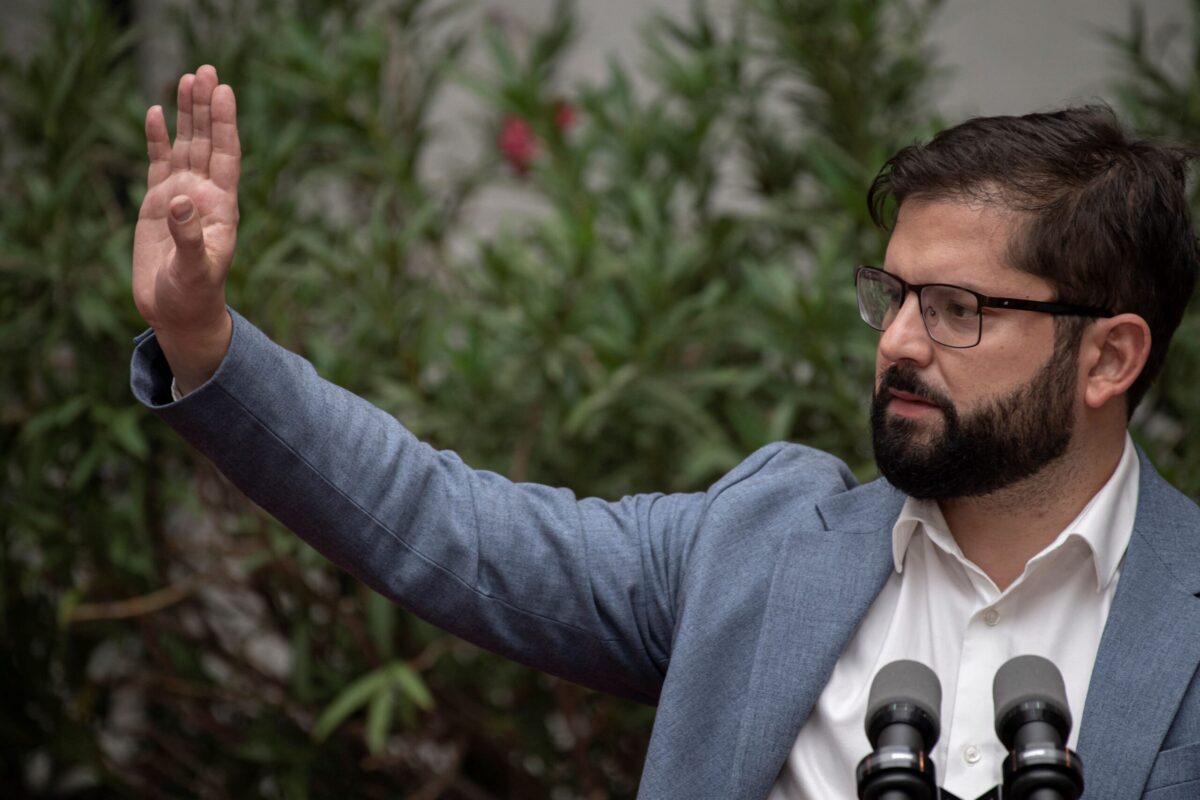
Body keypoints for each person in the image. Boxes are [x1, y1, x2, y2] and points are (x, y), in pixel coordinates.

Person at [131, 65, 1200, 799]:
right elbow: (442, 521)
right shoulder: (759, 546)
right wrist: (202, 336)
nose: (900, 343)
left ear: (1108, 356)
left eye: (959, 309)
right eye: (893, 294)